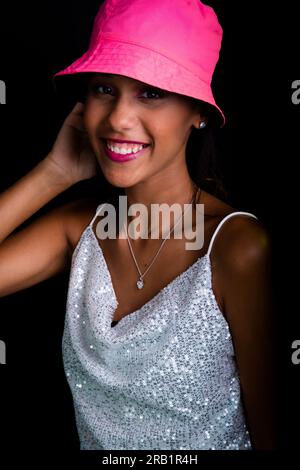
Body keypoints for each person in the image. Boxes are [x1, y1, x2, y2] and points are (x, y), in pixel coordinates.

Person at [0, 0, 277, 450]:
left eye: (151, 92)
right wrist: (53, 172)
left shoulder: (237, 247)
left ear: (199, 112)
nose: (118, 119)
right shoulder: (79, 228)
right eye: (104, 89)